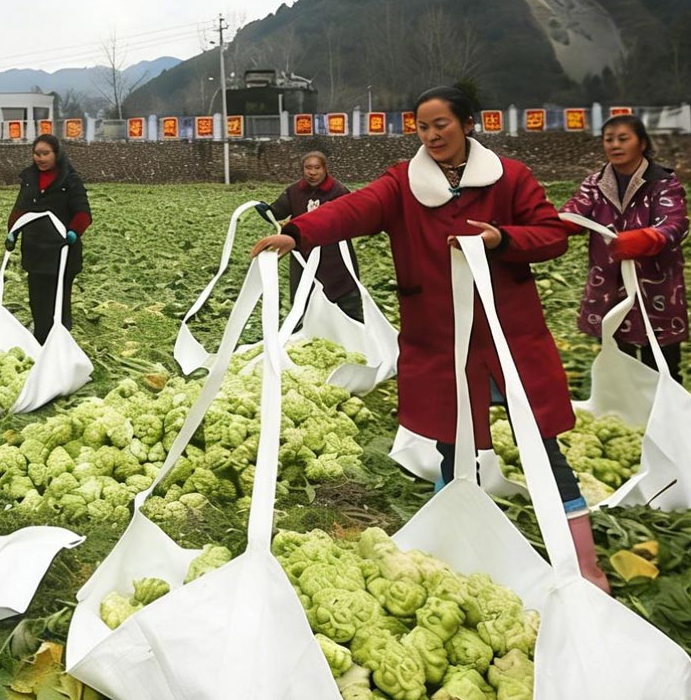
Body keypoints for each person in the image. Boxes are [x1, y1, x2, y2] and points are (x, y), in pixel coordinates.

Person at [251, 84, 610, 594]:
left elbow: (551, 234)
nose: (432, 134)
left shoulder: (509, 178)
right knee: (451, 444)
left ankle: (585, 567)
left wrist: (502, 239)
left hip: (507, 333)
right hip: (439, 336)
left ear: (468, 124)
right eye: (422, 126)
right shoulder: (404, 183)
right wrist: (299, 233)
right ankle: (450, 550)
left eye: (441, 123)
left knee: (542, 447)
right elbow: (353, 210)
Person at [558, 114, 689, 376]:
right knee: (618, 364)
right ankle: (625, 413)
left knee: (661, 366)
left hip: (656, 286)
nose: (614, 145)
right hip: (608, 283)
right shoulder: (595, 184)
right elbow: (573, 212)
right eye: (609, 139)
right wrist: (562, 224)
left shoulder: (662, 182)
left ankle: (665, 413)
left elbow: (675, 223)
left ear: (641, 144)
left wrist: (647, 239)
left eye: (623, 138)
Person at [256, 148, 364, 323]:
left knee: (344, 301)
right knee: (303, 299)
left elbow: (352, 218)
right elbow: (278, 212)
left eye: (317, 168)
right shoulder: (294, 192)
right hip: (303, 256)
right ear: (303, 169)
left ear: (325, 168)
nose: (312, 173)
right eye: (308, 168)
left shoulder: (338, 191)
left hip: (334, 258)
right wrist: (267, 211)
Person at [7, 133, 91, 342]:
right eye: (36, 154)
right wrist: (12, 232)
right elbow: (20, 209)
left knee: (59, 303)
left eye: (45, 154)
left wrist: (73, 232)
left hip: (61, 252)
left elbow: (83, 212)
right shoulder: (29, 179)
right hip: (35, 252)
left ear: (57, 154)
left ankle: (60, 344)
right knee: (38, 303)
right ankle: (40, 343)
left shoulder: (70, 180)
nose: (40, 158)